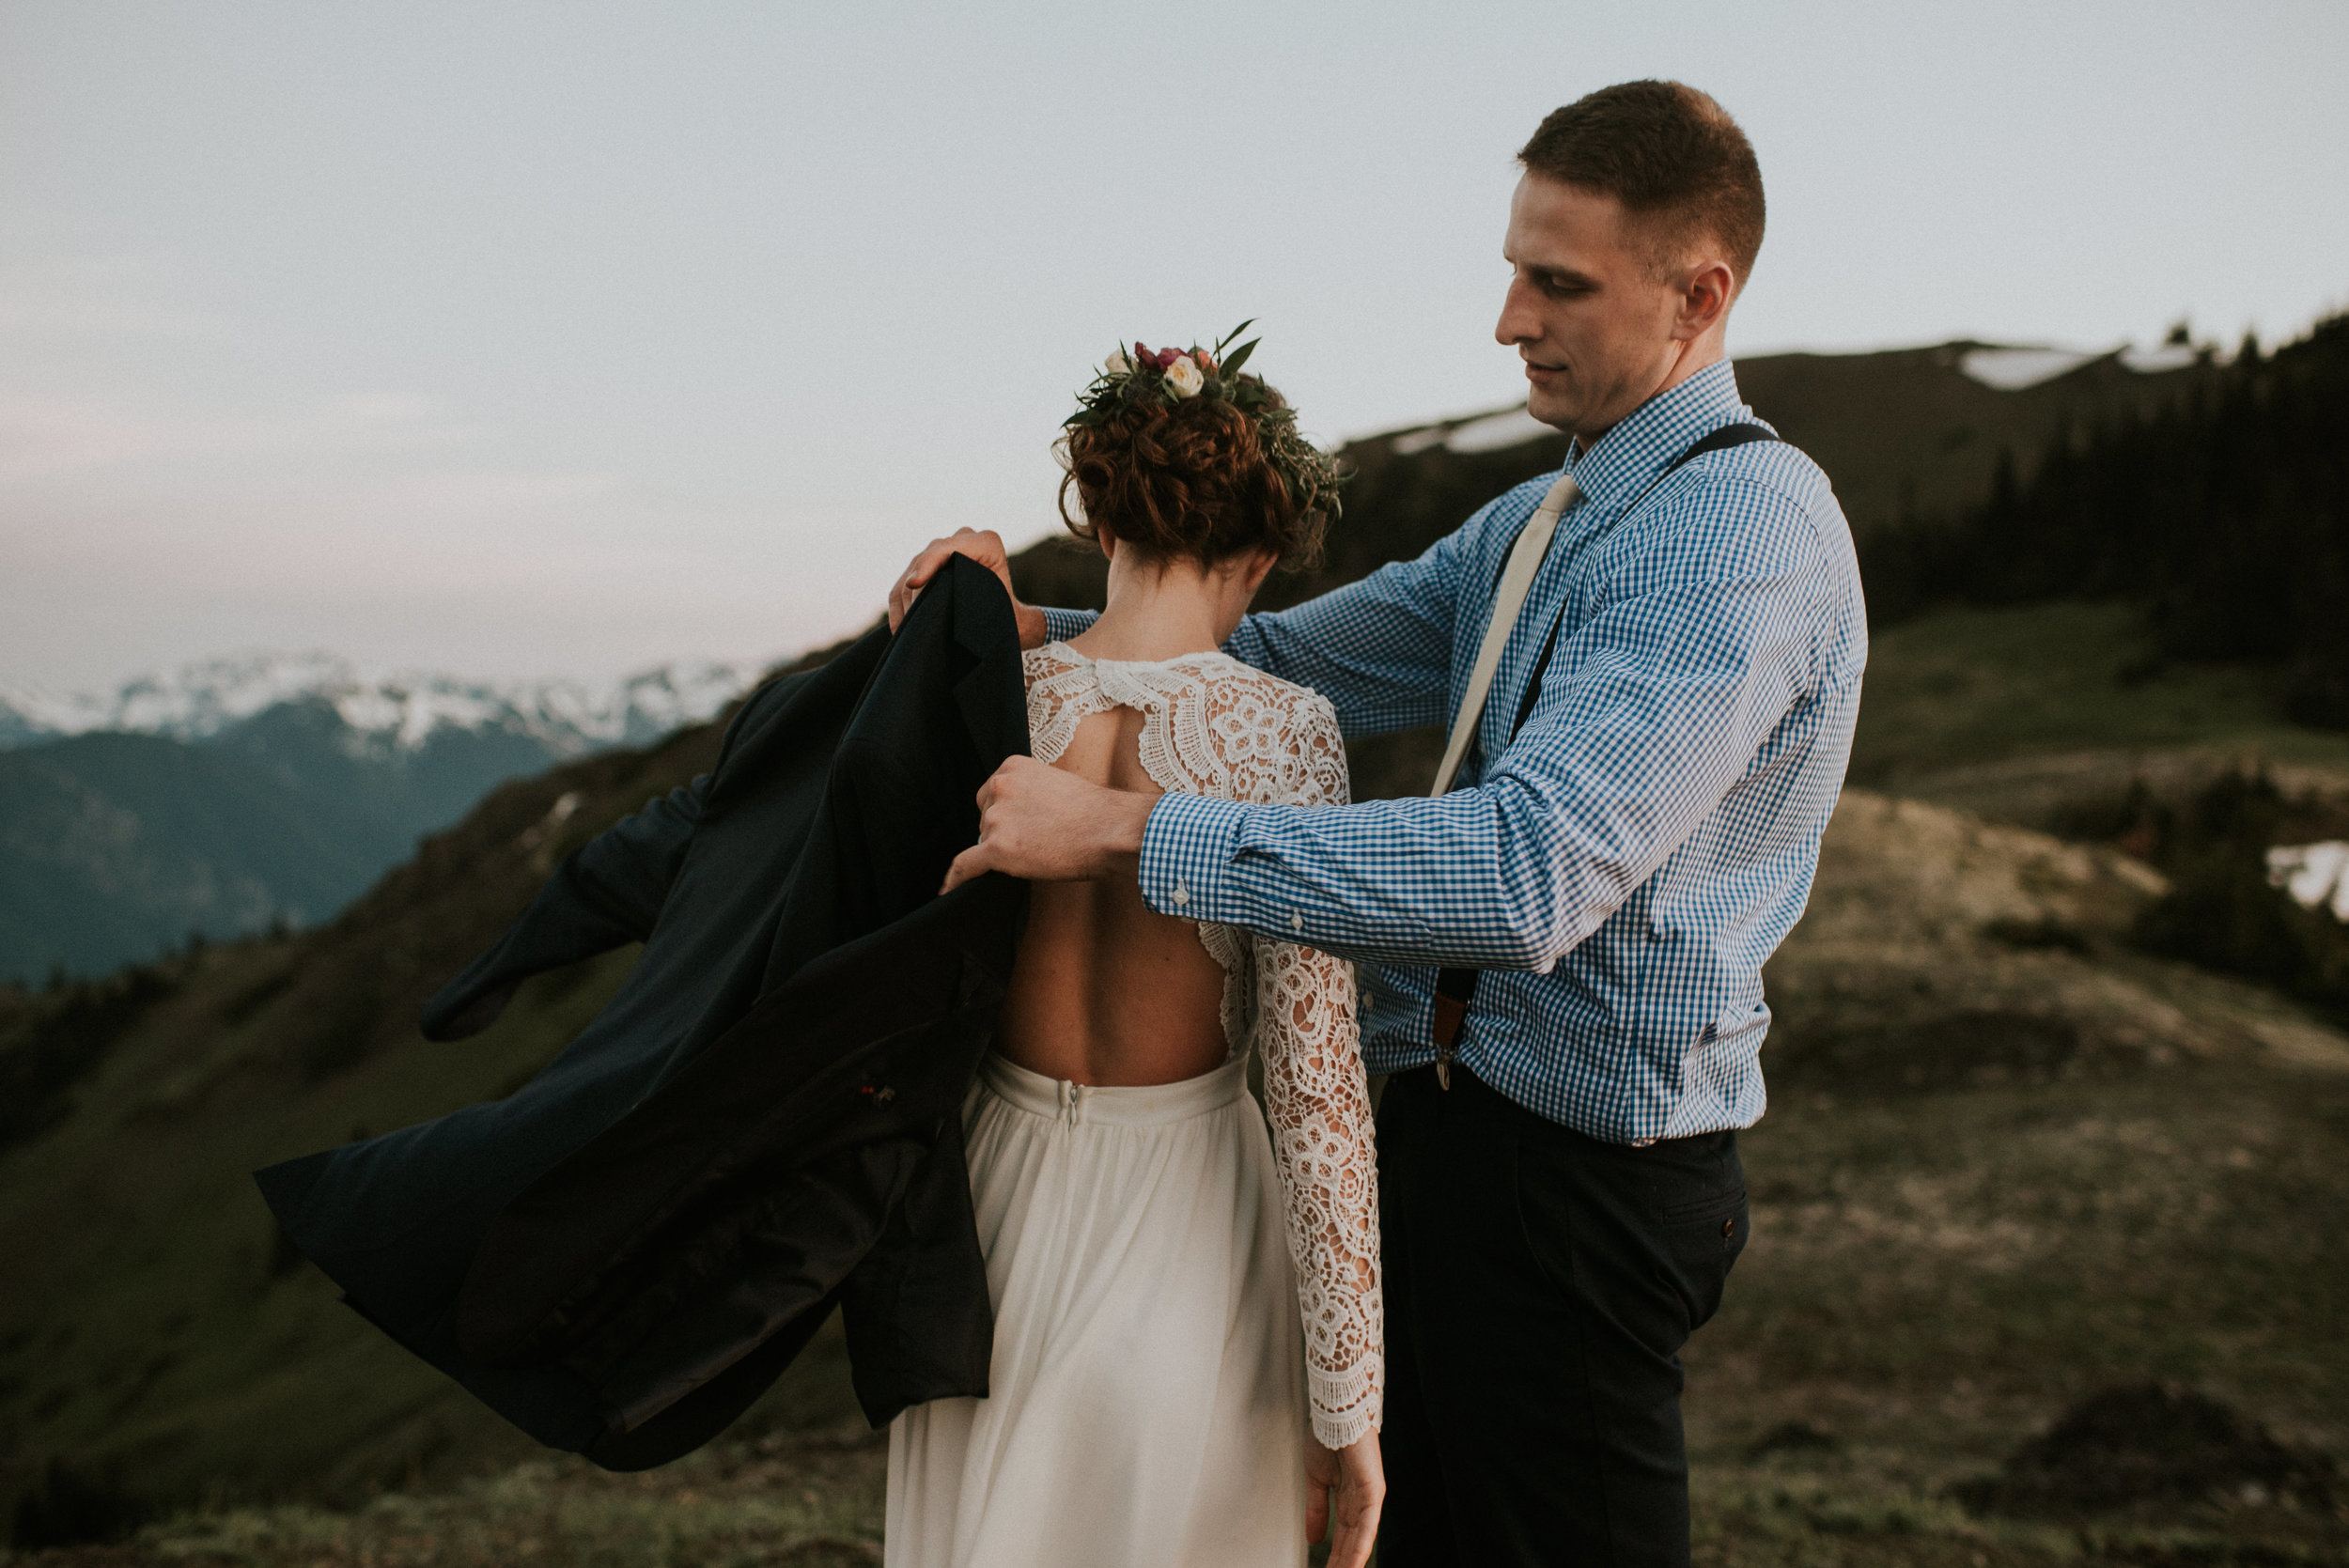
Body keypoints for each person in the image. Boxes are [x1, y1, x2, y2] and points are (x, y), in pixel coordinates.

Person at [890, 81, 1867, 1567]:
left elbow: (1529, 875)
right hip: (1462, 1153)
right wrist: (1021, 627)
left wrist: (1127, 833)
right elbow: (1273, 658)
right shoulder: (1551, 515)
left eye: (1558, 282)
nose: (1506, 319)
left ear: (1700, 292)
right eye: (1514, 267)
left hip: (1582, 1190)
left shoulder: (1736, 536)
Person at [882, 335, 1387, 1567]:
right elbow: (1319, 1097)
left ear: (1100, 520)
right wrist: (1349, 1406)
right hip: (1190, 1221)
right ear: (1260, 554)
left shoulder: (994, 690)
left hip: (984, 1213)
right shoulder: (1285, 730)